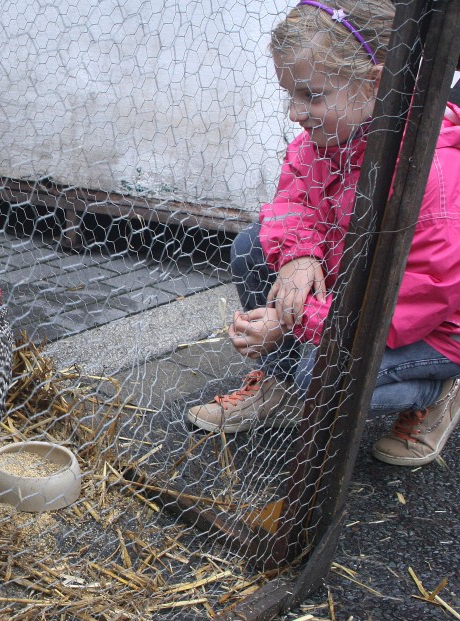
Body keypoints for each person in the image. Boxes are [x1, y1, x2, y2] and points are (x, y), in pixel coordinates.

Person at [186, 0, 460, 467]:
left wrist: (289, 321)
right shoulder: (330, 135)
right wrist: (298, 255)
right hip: (354, 289)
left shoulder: (430, 174)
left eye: (311, 95)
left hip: (432, 330)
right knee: (251, 247)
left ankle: (436, 392)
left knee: (320, 373)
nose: (295, 113)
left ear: (375, 82)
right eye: (289, 94)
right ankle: (283, 388)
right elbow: (293, 199)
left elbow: (401, 310)